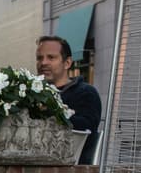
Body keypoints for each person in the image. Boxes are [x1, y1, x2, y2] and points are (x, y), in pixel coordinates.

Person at [34, 35, 102, 165]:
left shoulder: (86, 93)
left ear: (67, 63)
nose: (43, 63)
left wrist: (52, 112)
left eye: (51, 57)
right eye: (39, 58)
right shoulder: (33, 94)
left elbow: (86, 127)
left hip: (71, 172)